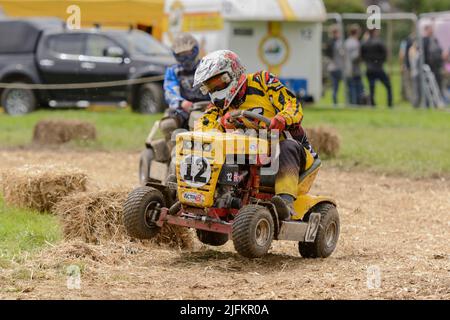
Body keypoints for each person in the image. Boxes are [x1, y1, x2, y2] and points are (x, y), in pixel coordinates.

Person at [193, 50, 318, 221]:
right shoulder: (219, 105)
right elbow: (203, 126)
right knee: (217, 150)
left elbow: (293, 105)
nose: (215, 89)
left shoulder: (262, 81)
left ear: (233, 73)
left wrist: (282, 118)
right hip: (252, 154)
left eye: (218, 82)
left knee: (286, 146)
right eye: (210, 86)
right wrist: (221, 124)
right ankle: (215, 198)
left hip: (292, 152)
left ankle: (284, 202)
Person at [163, 33, 209, 131]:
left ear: (195, 51)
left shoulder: (207, 66)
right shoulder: (173, 71)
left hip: (209, 107)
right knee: (167, 125)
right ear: (176, 55)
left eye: (187, 53)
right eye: (181, 55)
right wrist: (181, 103)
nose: (186, 58)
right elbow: (170, 92)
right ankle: (174, 145)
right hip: (184, 109)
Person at [361, 28, 393, 107]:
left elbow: (361, 55)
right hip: (378, 68)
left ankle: (372, 104)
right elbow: (386, 54)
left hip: (369, 68)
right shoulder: (379, 42)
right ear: (375, 32)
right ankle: (389, 104)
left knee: (372, 88)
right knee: (388, 86)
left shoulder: (365, 43)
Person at [423, 24, 444, 104]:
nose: (431, 31)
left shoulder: (434, 39)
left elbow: (439, 50)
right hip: (428, 67)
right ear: (426, 30)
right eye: (430, 29)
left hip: (437, 66)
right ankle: (429, 102)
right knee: (429, 85)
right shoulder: (424, 40)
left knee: (438, 84)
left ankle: (438, 101)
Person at [324, 24, 345, 106]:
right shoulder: (336, 43)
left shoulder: (330, 42)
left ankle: (335, 101)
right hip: (336, 67)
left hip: (332, 67)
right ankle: (336, 102)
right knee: (336, 86)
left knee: (335, 86)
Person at [344, 24, 364, 105]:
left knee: (350, 88)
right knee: (356, 88)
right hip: (354, 70)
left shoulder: (346, 42)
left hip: (346, 68)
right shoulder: (355, 43)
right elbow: (354, 57)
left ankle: (350, 103)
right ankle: (355, 104)